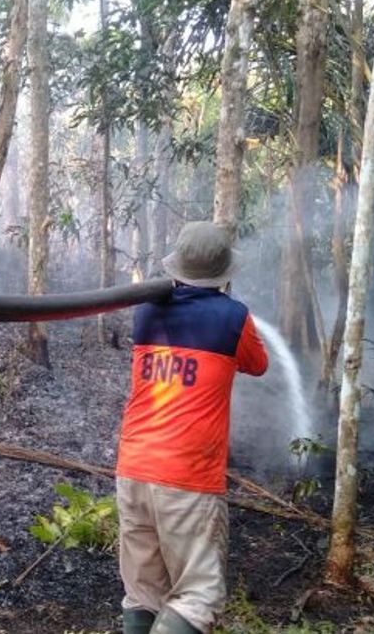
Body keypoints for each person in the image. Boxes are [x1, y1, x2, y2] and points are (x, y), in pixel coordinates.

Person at [115, 221, 268, 634]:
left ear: (178, 266)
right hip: (188, 479)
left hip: (133, 468)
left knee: (143, 590)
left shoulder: (146, 310)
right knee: (198, 595)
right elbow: (258, 364)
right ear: (224, 273)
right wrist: (231, 311)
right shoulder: (235, 318)